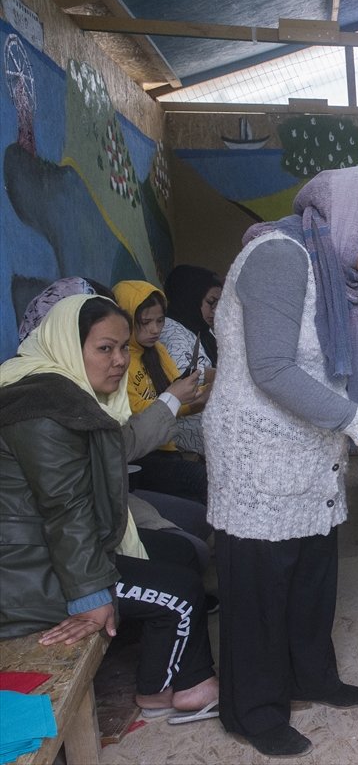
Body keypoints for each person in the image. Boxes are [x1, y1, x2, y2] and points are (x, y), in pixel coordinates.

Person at [204, 165, 358, 758]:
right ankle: (254, 711)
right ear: (353, 216)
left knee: (310, 574)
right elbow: (272, 368)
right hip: (259, 455)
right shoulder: (279, 257)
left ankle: (312, 677)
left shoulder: (337, 271)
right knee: (260, 587)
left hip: (311, 452)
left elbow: (341, 367)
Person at [0, 295, 219, 721]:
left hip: (53, 554)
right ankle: (166, 690)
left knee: (179, 552)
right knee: (180, 594)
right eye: (104, 348)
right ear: (69, 345)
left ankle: (176, 672)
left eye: (122, 348)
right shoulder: (41, 411)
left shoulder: (62, 393)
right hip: (27, 576)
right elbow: (65, 508)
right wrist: (89, 594)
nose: (119, 360)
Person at [113, 281, 209, 501]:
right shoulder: (120, 360)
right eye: (145, 322)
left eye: (160, 321)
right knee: (202, 480)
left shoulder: (158, 351)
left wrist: (206, 393)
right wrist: (181, 399)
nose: (155, 330)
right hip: (140, 456)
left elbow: (178, 392)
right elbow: (135, 410)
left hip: (166, 447)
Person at [161, 265, 223, 456]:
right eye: (211, 303)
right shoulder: (171, 331)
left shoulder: (203, 329)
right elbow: (184, 376)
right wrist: (224, 375)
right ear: (190, 297)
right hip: (189, 431)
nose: (215, 311)